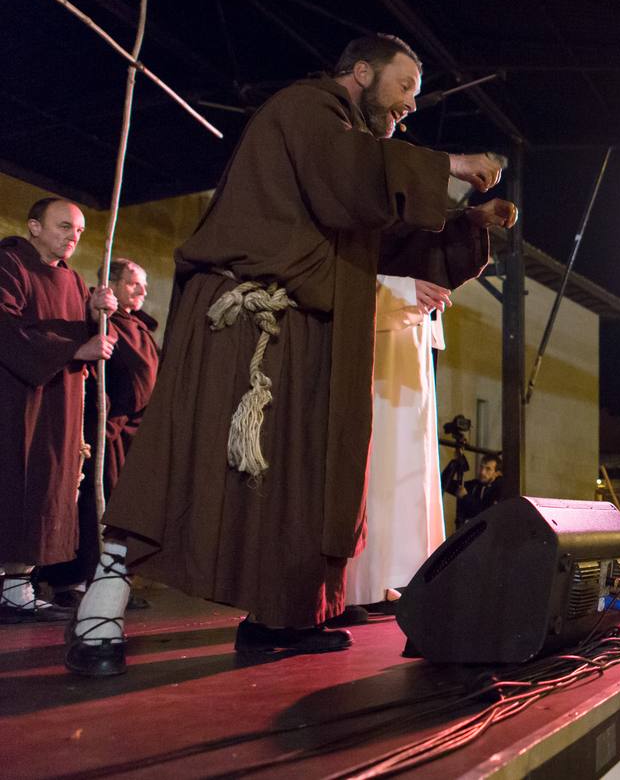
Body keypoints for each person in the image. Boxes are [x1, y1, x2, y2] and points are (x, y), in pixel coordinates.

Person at [67, 34, 513, 675]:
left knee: (301, 479)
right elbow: (354, 176)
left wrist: (470, 224)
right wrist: (449, 165)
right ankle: (99, 610)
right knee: (187, 459)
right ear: (360, 72)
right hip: (246, 320)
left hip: (308, 330)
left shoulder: (350, 160)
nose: (411, 105)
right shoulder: (309, 109)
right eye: (405, 86)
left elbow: (374, 237)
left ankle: (279, 618)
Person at [1, 198, 117, 623]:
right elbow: (5, 326)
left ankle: (19, 586)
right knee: (14, 482)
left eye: (80, 231)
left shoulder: (72, 280)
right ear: (34, 226)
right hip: (16, 398)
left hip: (59, 403)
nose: (73, 236)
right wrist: (76, 344)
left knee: (49, 487)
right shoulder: (10, 265)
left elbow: (82, 333)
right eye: (64, 226)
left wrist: (95, 314)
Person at [339, 271, 475, 622]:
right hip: (377, 330)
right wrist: (401, 289)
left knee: (401, 460)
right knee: (377, 455)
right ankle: (352, 584)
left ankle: (380, 579)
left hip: (409, 333)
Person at [36, 258, 159, 607]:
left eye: (144, 285)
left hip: (132, 433)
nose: (143, 291)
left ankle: (109, 582)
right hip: (100, 430)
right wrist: (96, 313)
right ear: (112, 282)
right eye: (135, 283)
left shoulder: (138, 326)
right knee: (91, 503)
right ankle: (71, 581)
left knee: (123, 509)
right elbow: (85, 341)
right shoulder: (100, 317)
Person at [456, 455, 505, 528]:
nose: (482, 472)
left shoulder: (501, 489)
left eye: (488, 469)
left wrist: (466, 497)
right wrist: (453, 464)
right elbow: (445, 483)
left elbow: (486, 513)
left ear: (497, 473)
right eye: (481, 467)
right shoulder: (475, 485)